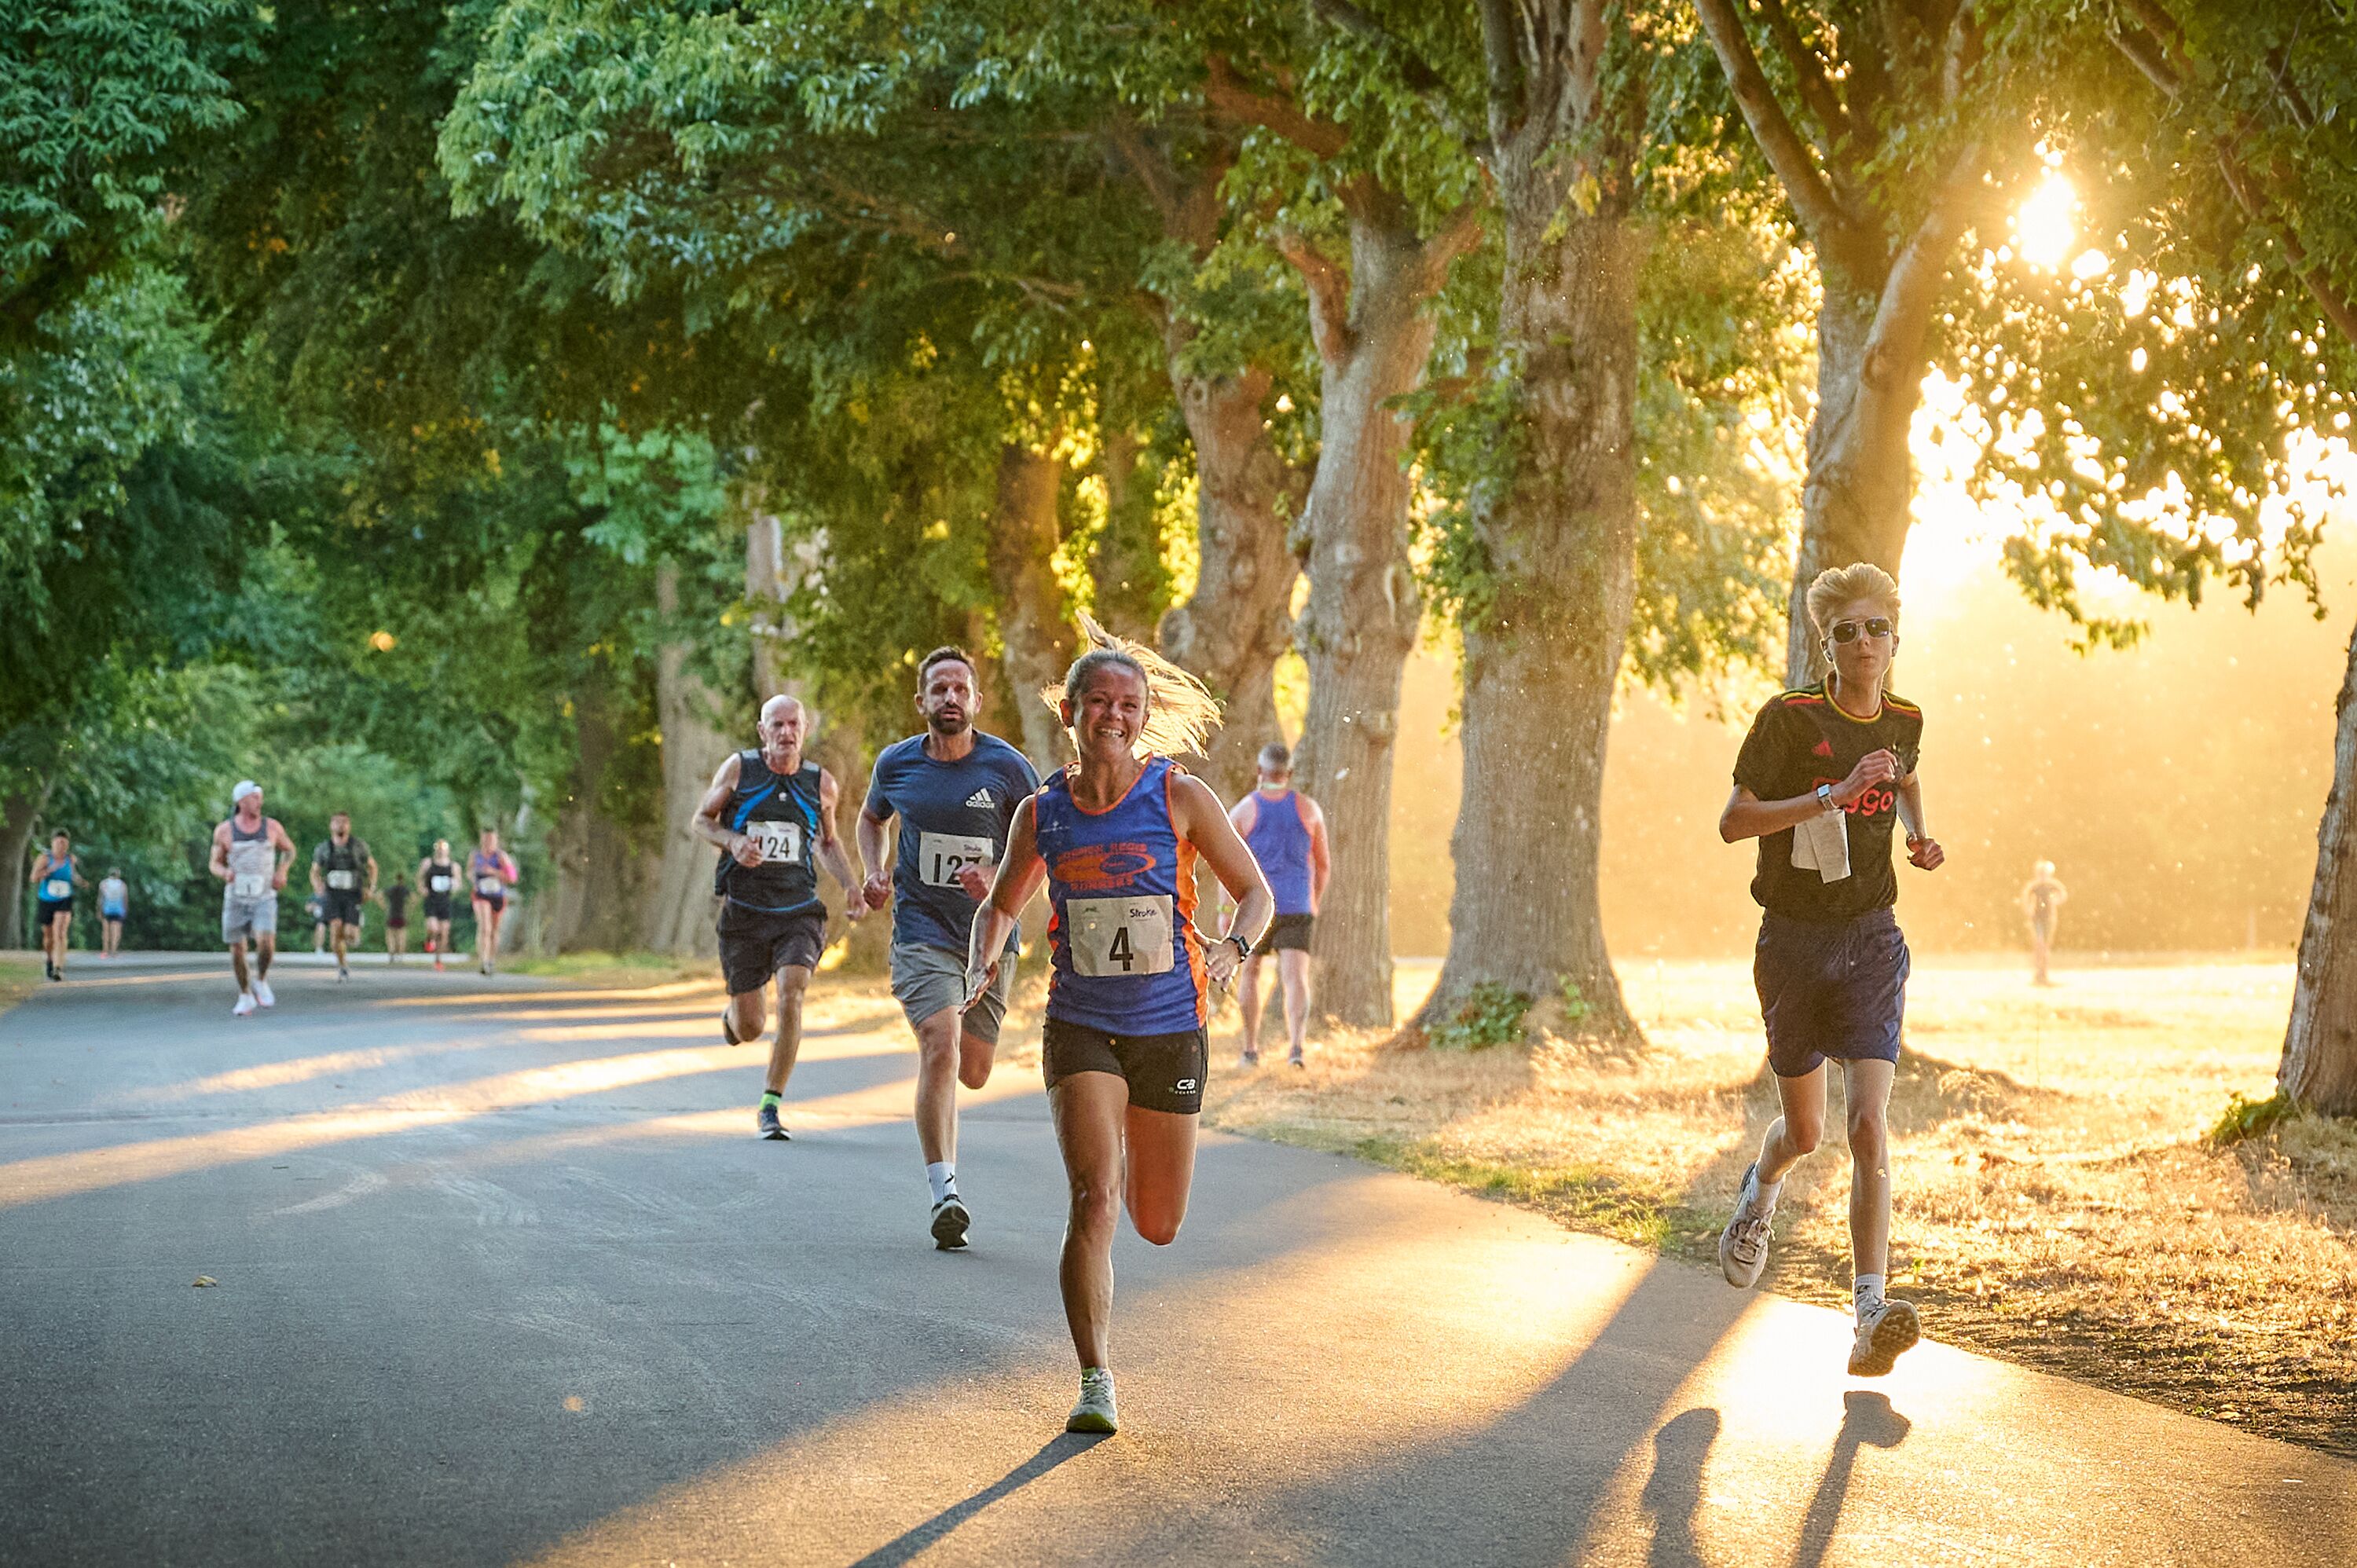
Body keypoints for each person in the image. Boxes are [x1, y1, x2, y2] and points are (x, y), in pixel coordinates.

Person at [964, 615, 1274, 1434]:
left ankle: (1135, 1135)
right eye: (1097, 701)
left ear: (1143, 715)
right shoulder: (1043, 813)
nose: (1114, 715)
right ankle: (1095, 1377)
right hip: (1081, 1024)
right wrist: (982, 964)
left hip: (1172, 1023)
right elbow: (1000, 907)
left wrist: (1234, 949)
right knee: (1093, 1197)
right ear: (1069, 712)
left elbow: (1258, 893)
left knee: (1156, 1222)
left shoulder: (1180, 796)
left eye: (1128, 703)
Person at [1714, 563, 1945, 1379]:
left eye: (1875, 627)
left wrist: (1920, 834)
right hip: (1793, 943)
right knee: (1807, 1133)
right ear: (1827, 642)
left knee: (1869, 1125)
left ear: (1893, 638)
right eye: (1844, 630)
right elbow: (1733, 822)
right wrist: (1831, 795)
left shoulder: (1907, 718)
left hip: (1873, 940)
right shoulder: (1788, 718)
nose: (1862, 642)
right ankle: (1760, 1194)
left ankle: (1871, 1310)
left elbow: (1907, 773)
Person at [857, 647, 1040, 1249]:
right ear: (922, 702)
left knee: (976, 1071)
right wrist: (875, 869)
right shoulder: (898, 764)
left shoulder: (1009, 769)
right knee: (941, 1041)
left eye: (961, 688)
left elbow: (1044, 849)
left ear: (977, 701)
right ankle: (945, 1192)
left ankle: (946, 1173)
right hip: (922, 932)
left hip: (991, 937)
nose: (951, 698)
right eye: (939, 689)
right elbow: (870, 818)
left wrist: (1002, 885)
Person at [695, 694, 866, 1141]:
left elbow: (828, 843)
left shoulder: (821, 784)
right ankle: (733, 1020)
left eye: (794, 724)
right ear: (762, 731)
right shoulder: (739, 771)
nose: (787, 733)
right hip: (745, 912)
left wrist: (851, 885)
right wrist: (732, 842)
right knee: (751, 1026)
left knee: (793, 991)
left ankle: (770, 1105)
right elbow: (701, 820)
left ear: (804, 730)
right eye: (777, 725)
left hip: (797, 910)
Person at [1228, 742, 1329, 1067]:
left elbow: (1224, 865)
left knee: (1250, 974)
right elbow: (1323, 864)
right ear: (1289, 774)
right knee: (1295, 978)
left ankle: (1250, 1049)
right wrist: (1314, 899)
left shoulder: (1244, 810)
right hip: (1297, 904)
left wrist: (1224, 912)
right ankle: (1296, 1049)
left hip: (1256, 907)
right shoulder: (1309, 809)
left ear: (1259, 772)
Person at [210, 781, 295, 1017]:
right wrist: (224, 872)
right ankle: (245, 994)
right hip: (236, 897)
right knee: (237, 948)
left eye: (260, 797)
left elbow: (289, 850)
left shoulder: (272, 827)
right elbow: (214, 863)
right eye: (254, 798)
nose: (259, 802)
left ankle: (261, 978)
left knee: (266, 940)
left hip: (264, 895)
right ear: (241, 801)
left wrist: (282, 871)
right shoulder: (225, 830)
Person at [310, 812, 377, 983]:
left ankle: (355, 928)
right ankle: (342, 966)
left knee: (349, 934)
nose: (341, 826)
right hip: (333, 894)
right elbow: (315, 871)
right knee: (335, 932)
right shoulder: (324, 848)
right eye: (337, 823)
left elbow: (372, 867)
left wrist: (371, 887)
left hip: (353, 893)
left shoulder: (358, 846)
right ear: (331, 826)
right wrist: (317, 886)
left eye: (344, 823)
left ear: (349, 825)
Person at [28, 831, 84, 982]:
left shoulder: (70, 859)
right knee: (48, 937)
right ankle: (49, 959)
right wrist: (49, 870)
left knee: (60, 932)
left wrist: (81, 882)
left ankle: (58, 968)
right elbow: (33, 878)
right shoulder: (45, 858)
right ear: (53, 843)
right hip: (46, 899)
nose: (61, 846)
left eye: (64, 843)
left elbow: (73, 875)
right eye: (59, 842)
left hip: (65, 898)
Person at [469, 828, 519, 976]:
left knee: (494, 930)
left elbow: (512, 878)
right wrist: (473, 878)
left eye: (491, 840)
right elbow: (469, 871)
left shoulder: (501, 857)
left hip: (497, 895)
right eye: (485, 840)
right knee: (485, 927)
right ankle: (483, 961)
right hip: (481, 894)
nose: (488, 843)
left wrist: (494, 872)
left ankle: (491, 959)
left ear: (496, 841)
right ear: (481, 840)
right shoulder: (475, 856)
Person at [2022, 860, 2067, 986]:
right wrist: (2029, 909)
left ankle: (2043, 973)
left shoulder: (2052, 885)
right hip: (2037, 918)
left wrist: (2056, 901)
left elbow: (2063, 894)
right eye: (2040, 873)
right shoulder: (2035, 886)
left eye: (2044, 873)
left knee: (2045, 947)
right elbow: (2026, 896)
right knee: (2039, 944)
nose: (2042, 875)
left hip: (2049, 918)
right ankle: (2038, 972)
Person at [417, 841, 460, 970]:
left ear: (448, 851)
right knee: (433, 928)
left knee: (444, 933)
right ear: (435, 850)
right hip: (431, 900)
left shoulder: (454, 866)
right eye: (439, 849)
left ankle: (438, 959)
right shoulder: (428, 863)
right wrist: (422, 889)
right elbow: (419, 878)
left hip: (445, 901)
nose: (441, 851)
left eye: (444, 849)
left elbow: (458, 882)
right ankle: (430, 939)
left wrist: (455, 886)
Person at [98, 868, 128, 958]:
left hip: (106, 909)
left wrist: (99, 910)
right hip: (118, 910)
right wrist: (125, 910)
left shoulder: (103, 883)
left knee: (106, 931)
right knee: (116, 931)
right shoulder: (122, 885)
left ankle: (105, 951)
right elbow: (125, 899)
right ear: (118, 875)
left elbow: (100, 899)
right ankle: (114, 951)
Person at [382, 872, 411, 963]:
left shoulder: (391, 889)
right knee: (401, 936)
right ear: (403, 880)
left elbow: (379, 895)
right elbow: (414, 898)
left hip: (391, 914)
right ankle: (400, 955)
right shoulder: (405, 890)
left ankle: (391, 954)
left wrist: (384, 907)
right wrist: (409, 908)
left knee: (390, 935)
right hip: (402, 914)